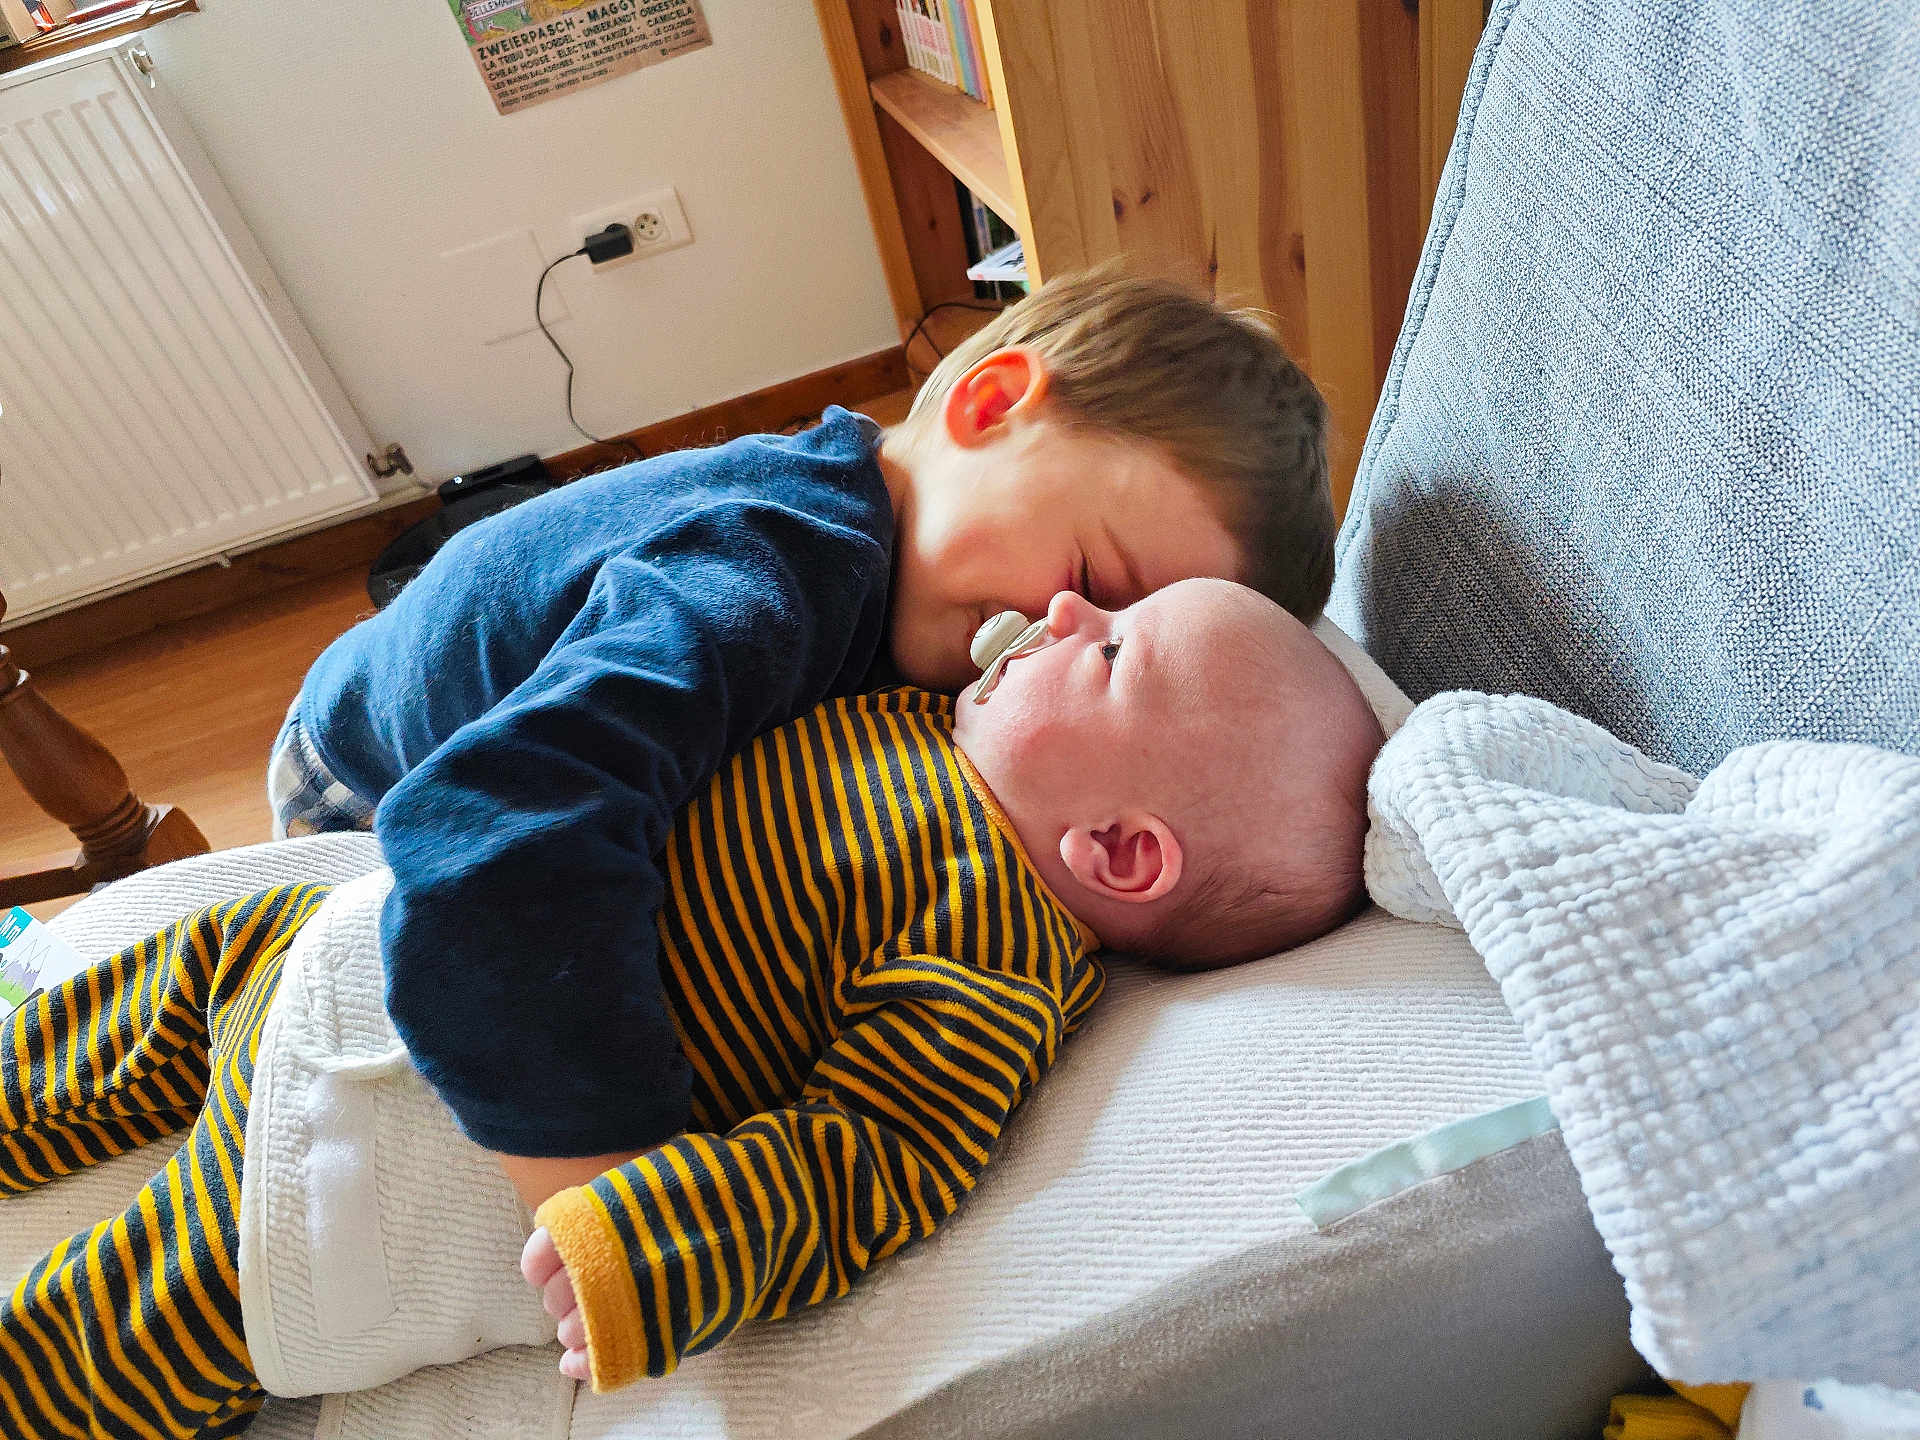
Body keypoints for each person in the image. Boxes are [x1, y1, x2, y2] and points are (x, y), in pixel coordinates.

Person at [1, 579, 1384, 1434]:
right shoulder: (916, 716)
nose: (1075, 608)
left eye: (1115, 653)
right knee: (186, 966)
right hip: (369, 938)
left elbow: (864, 1167)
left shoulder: (998, 961)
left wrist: (651, 1248)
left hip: (413, 1116)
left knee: (160, 1309)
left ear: (1122, 854)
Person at [267, 268, 1343, 1210]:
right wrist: (606, 1178)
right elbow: (503, 821)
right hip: (366, 766)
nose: (1062, 630)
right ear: (992, 404)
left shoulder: (934, 595)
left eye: (1121, 644)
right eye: (1094, 584)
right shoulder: (760, 577)